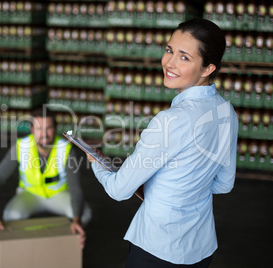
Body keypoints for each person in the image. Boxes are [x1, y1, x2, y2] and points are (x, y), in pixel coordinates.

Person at [87, 18, 238, 267]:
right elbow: (223, 184)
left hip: (158, 249)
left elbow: (118, 190)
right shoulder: (226, 112)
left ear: (207, 69)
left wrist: (97, 162)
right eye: (169, 50)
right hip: (201, 248)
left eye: (184, 57)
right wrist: (179, 188)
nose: (169, 62)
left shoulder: (171, 120)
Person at [0, 106, 91, 248]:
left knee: (84, 215)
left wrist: (76, 219)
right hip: (29, 194)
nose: (44, 134)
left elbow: (75, 188)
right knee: (11, 215)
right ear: (32, 130)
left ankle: (67, 243)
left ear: (56, 128)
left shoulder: (66, 148)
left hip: (58, 194)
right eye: (39, 129)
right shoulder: (20, 147)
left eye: (49, 128)